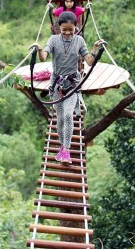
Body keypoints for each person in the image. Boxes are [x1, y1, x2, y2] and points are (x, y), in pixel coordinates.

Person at [31, 12, 103, 164]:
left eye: (71, 29)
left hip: (73, 84)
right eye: (64, 30)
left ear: (76, 27)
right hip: (56, 85)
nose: (68, 33)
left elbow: (89, 62)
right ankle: (61, 146)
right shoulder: (53, 39)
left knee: (68, 116)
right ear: (59, 28)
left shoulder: (79, 40)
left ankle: (66, 149)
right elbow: (43, 57)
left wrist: (95, 49)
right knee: (60, 118)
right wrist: (38, 49)